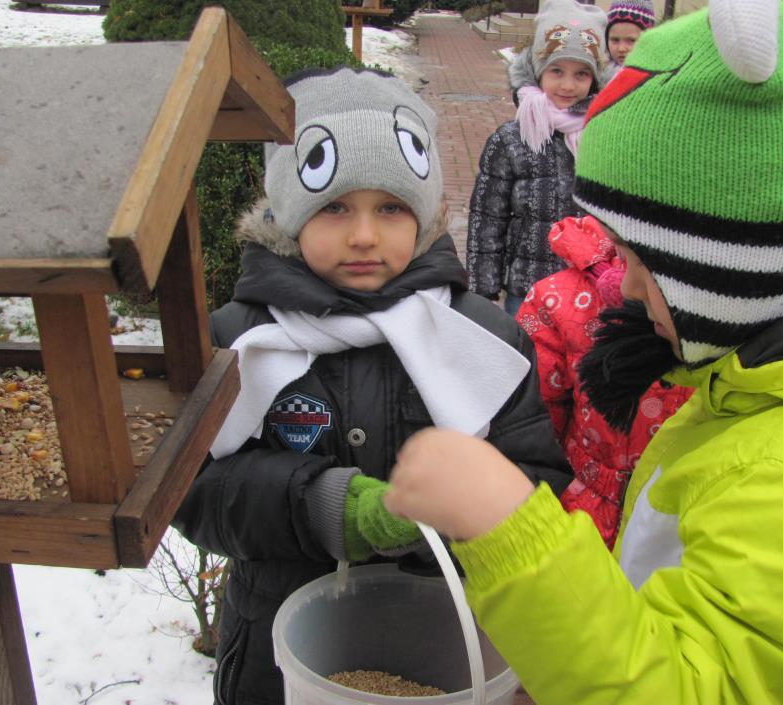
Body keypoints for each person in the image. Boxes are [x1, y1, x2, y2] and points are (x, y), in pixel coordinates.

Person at [385, 1, 783, 703]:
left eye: (644, 263)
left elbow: (686, 688)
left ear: (735, 264)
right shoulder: (773, 377)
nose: (630, 291)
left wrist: (511, 532)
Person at [172, 66, 571, 705]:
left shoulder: (481, 336)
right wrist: (324, 505)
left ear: (425, 210)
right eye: (333, 207)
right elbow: (192, 493)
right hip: (277, 658)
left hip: (442, 645)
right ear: (287, 211)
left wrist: (464, 509)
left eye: (390, 208)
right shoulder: (239, 339)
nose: (363, 235)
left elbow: (538, 476)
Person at [516, 214, 692, 548]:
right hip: (579, 515)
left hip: (682, 525)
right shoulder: (559, 299)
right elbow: (533, 425)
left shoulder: (729, 313)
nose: (631, 288)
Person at [466, 0, 606, 316]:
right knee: (526, 365)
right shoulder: (511, 139)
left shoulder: (604, 136)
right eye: (557, 70)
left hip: (588, 293)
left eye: (581, 73)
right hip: (527, 291)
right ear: (537, 71)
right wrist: (482, 292)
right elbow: (488, 217)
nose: (568, 85)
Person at [602, 0, 656, 83]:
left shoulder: (654, 77)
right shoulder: (597, 73)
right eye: (615, 40)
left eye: (631, 40)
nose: (621, 49)